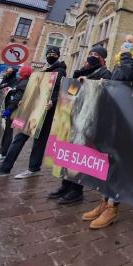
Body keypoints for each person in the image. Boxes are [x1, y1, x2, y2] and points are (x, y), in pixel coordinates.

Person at [81, 33, 133, 229]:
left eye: (130, 42)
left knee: (119, 162)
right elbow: (112, 83)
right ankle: (104, 202)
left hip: (127, 118)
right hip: (112, 116)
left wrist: (126, 56)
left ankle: (113, 208)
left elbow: (129, 76)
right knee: (107, 160)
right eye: (125, 41)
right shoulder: (119, 63)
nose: (125, 44)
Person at [0, 47, 67, 178]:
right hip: (33, 108)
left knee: (39, 141)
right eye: (49, 53)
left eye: (54, 54)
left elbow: (59, 89)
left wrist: (53, 101)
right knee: (20, 137)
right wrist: (25, 100)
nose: (51, 55)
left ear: (58, 56)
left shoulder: (60, 71)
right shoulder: (44, 71)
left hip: (46, 110)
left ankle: (33, 168)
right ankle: (4, 168)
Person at [48, 46, 112, 205]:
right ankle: (65, 185)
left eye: (96, 55)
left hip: (89, 118)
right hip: (74, 116)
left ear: (102, 58)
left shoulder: (105, 73)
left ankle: (76, 190)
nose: (92, 56)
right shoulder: (81, 72)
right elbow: (71, 92)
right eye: (90, 54)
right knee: (70, 152)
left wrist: (91, 83)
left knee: (81, 154)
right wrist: (77, 82)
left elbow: (106, 94)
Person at [0, 66, 31, 164]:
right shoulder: (21, 81)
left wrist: (9, 109)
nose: (19, 71)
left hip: (14, 111)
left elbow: (17, 98)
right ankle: (2, 152)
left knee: (8, 133)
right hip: (12, 109)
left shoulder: (23, 83)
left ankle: (3, 153)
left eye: (20, 70)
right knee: (7, 132)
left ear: (24, 72)